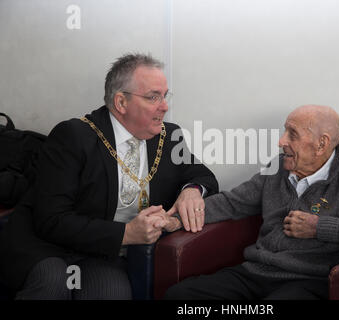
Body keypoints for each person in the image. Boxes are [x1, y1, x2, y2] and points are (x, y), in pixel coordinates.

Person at [0, 53, 218, 299]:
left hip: (102, 254)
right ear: (121, 102)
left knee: (112, 293)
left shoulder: (169, 137)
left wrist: (192, 190)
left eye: (164, 96)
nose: (164, 106)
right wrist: (126, 234)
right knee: (54, 283)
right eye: (153, 97)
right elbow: (51, 220)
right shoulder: (73, 136)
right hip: (47, 246)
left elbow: (202, 175)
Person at [164, 104, 339, 300]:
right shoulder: (278, 167)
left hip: (308, 281)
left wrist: (319, 227)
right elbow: (232, 202)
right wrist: (174, 219)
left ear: (322, 143)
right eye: (284, 131)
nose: (281, 141)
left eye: (292, 134)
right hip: (255, 273)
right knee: (180, 296)